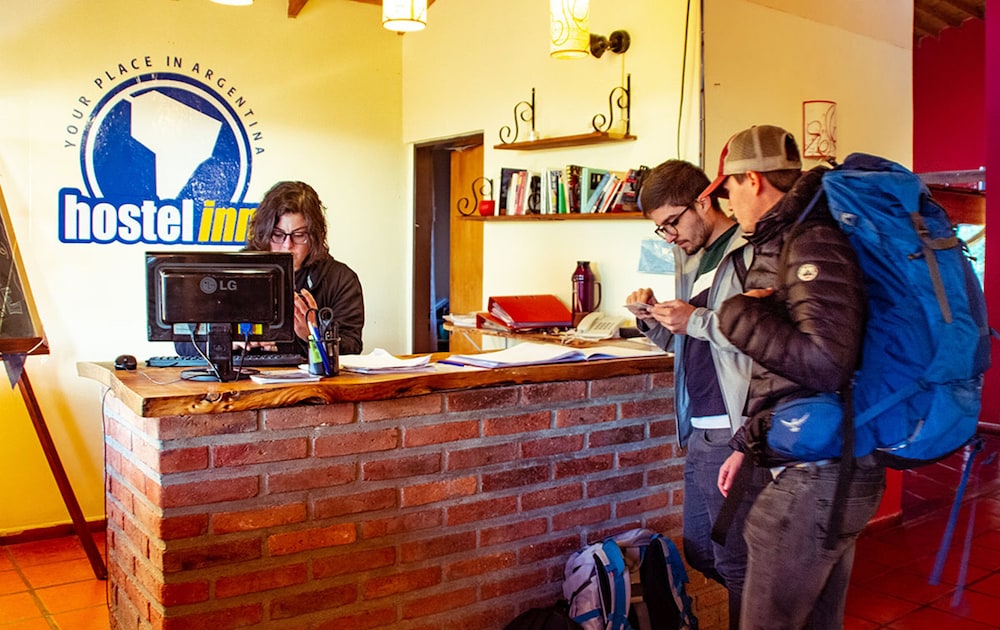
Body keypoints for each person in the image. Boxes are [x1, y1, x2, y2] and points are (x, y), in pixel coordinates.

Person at [705, 125, 885, 629]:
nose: (727, 202)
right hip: (827, 459)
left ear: (753, 179)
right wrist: (749, 440)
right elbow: (789, 371)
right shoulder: (797, 234)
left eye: (728, 188)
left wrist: (738, 315)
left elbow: (826, 364)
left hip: (821, 473)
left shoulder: (811, 241)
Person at [627, 159, 766, 629]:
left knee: (736, 562)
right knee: (701, 551)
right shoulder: (693, 260)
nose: (670, 237)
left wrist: (696, 319)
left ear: (703, 201)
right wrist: (652, 322)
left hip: (733, 427)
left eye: (672, 222)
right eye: (661, 229)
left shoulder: (747, 250)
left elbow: (761, 336)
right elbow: (692, 345)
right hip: (700, 428)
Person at [176, 181, 365, 358]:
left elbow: (352, 347)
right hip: (240, 378)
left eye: (299, 235)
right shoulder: (233, 271)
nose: (287, 245)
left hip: (309, 380)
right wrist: (226, 341)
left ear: (315, 235)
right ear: (264, 232)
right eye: (277, 234)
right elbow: (183, 344)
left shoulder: (340, 279)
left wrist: (314, 335)